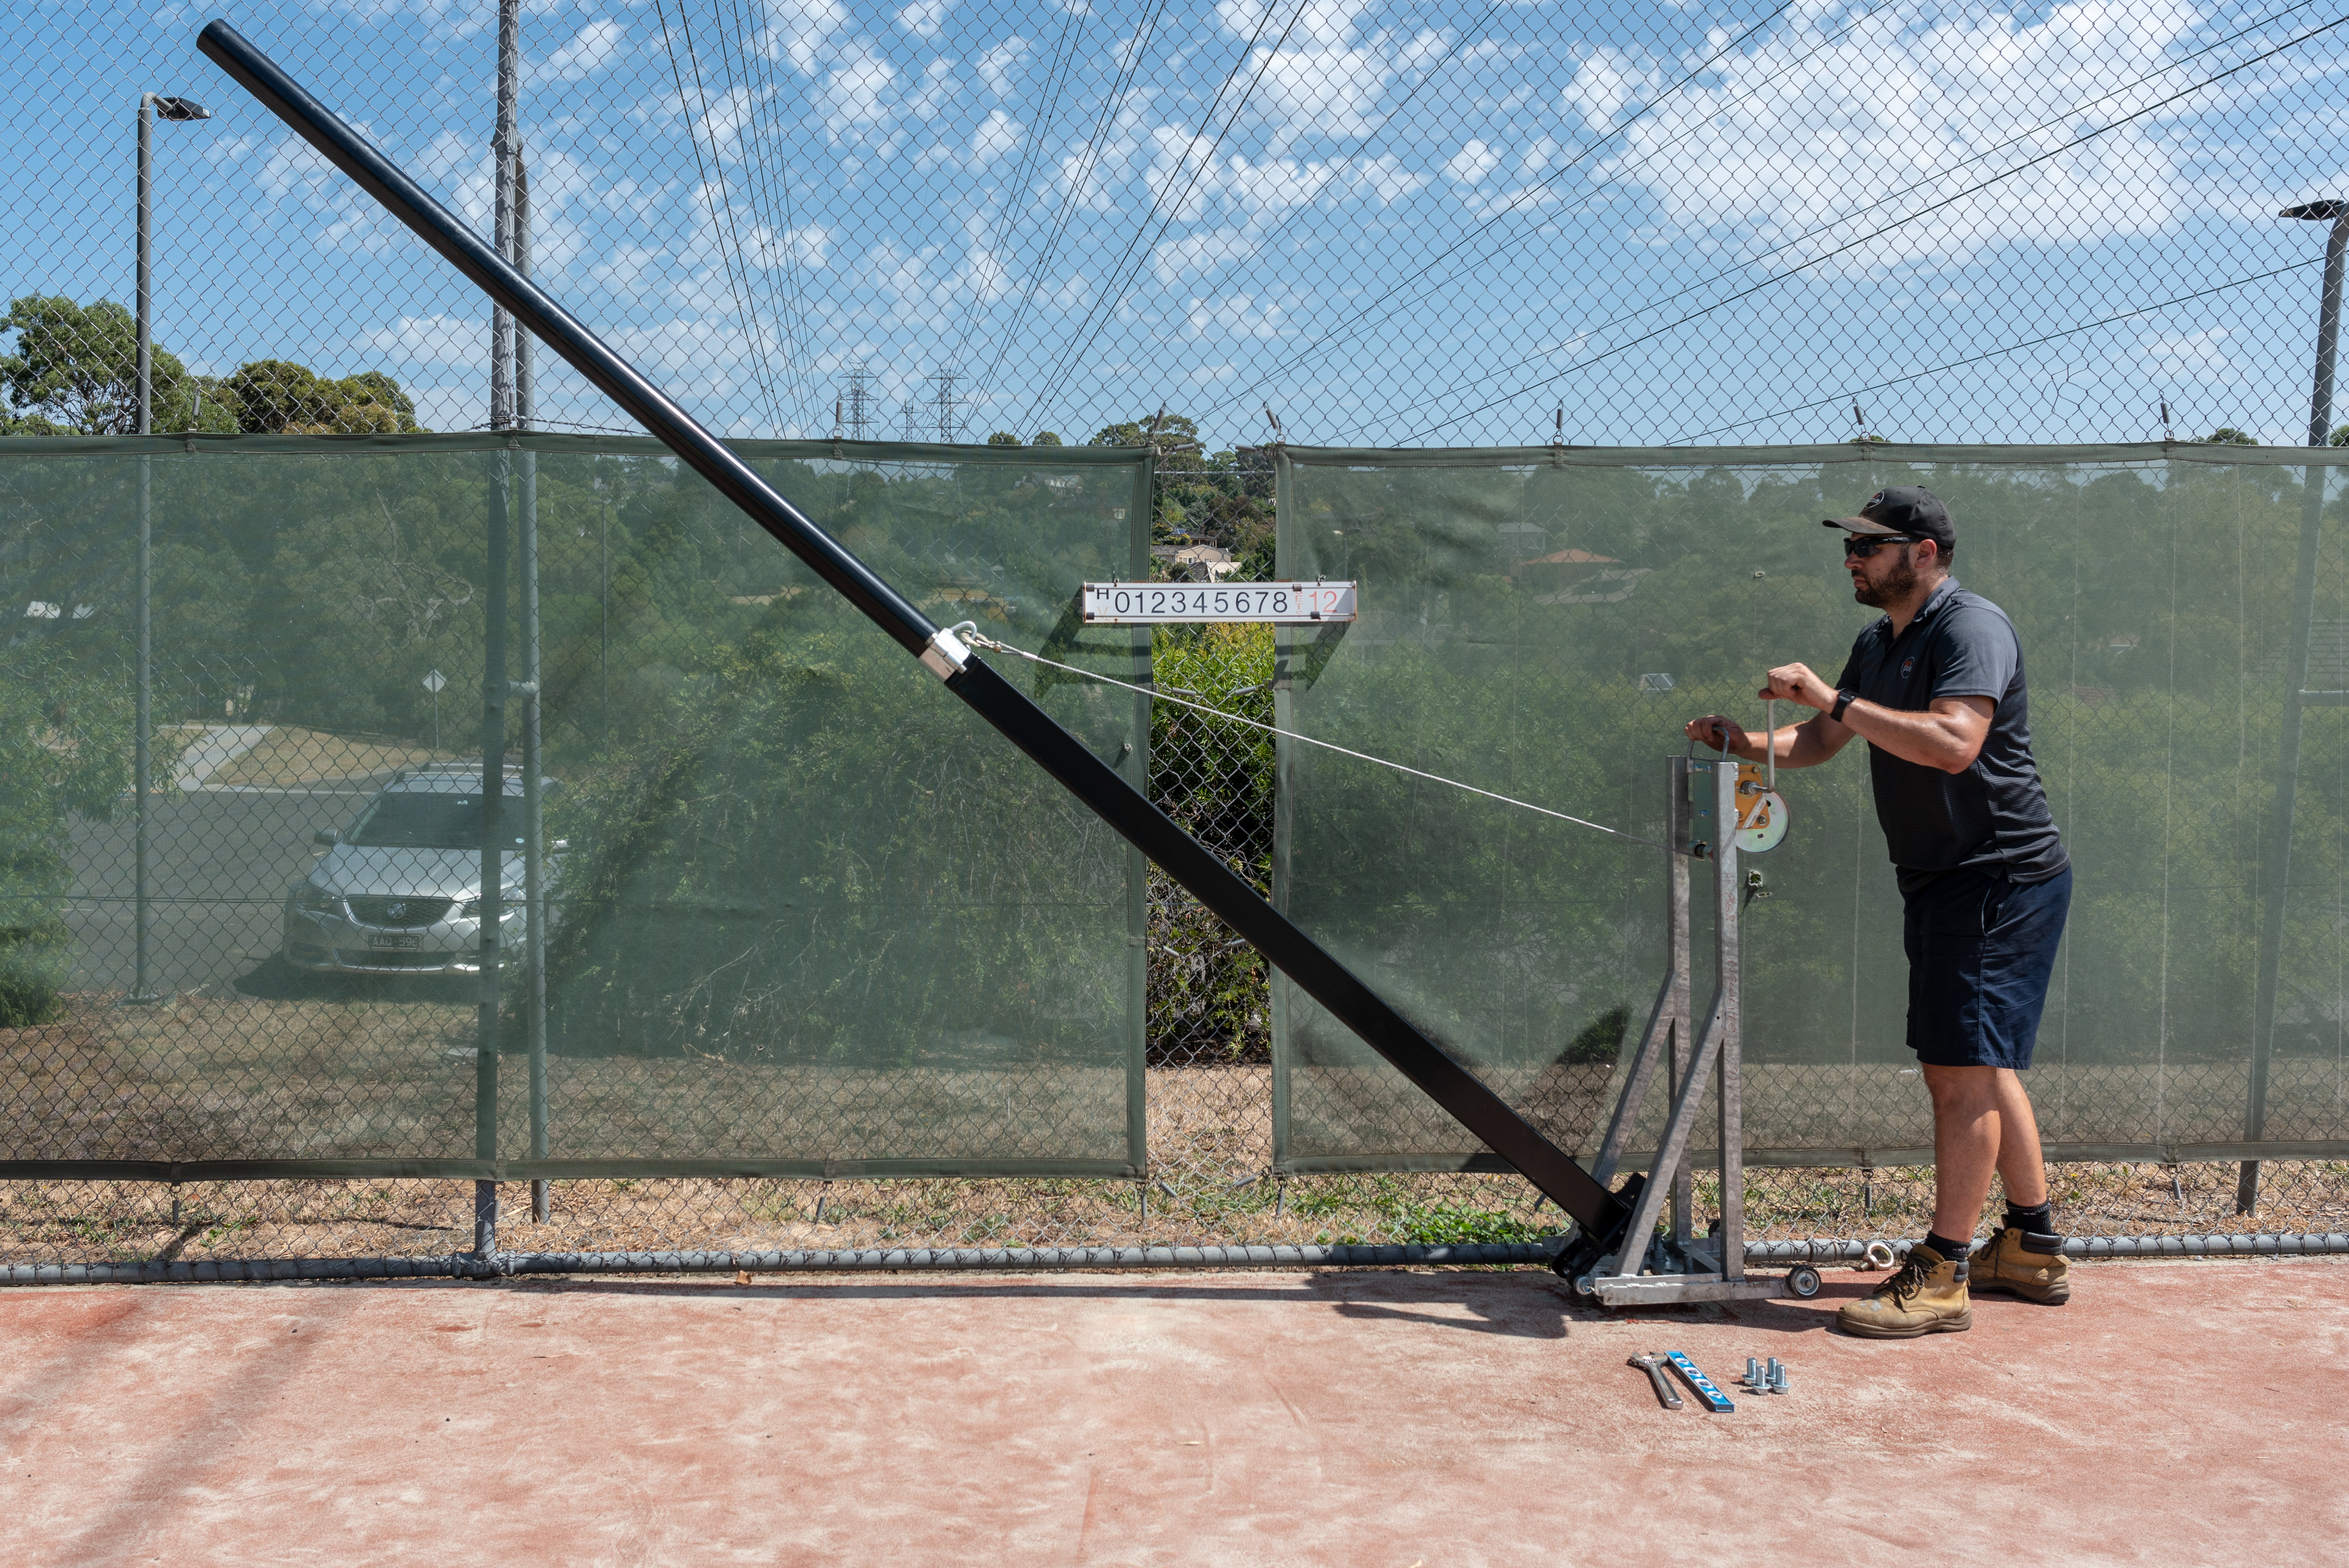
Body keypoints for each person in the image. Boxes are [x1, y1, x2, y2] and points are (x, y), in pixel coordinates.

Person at [1685, 486, 2073, 1339]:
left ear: (1924, 552)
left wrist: (1829, 697)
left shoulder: (1970, 628)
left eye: (1868, 545)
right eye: (1849, 546)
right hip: (1942, 878)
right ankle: (2031, 1246)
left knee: (1958, 1072)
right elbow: (1824, 742)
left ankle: (1944, 1271)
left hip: (1996, 877)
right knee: (1981, 1064)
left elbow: (1953, 743)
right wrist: (1745, 744)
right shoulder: (1878, 640)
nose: (1851, 559)